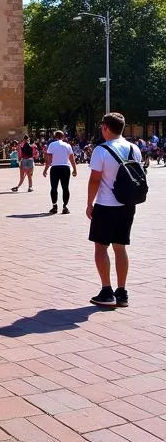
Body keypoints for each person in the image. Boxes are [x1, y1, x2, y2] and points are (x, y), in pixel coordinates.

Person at [87, 112, 142, 308]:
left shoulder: (101, 150)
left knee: (101, 247)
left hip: (106, 204)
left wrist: (89, 203)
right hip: (127, 205)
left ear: (105, 128)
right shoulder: (134, 148)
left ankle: (106, 290)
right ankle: (122, 291)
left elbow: (95, 179)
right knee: (120, 248)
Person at [43, 129, 77, 214]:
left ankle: (54, 206)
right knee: (65, 188)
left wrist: (45, 169)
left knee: (54, 188)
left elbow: (49, 160)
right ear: (63, 136)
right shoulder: (67, 145)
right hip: (65, 168)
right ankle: (65, 207)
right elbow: (72, 158)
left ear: (55, 137)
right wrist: (75, 169)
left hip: (55, 168)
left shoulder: (51, 145)